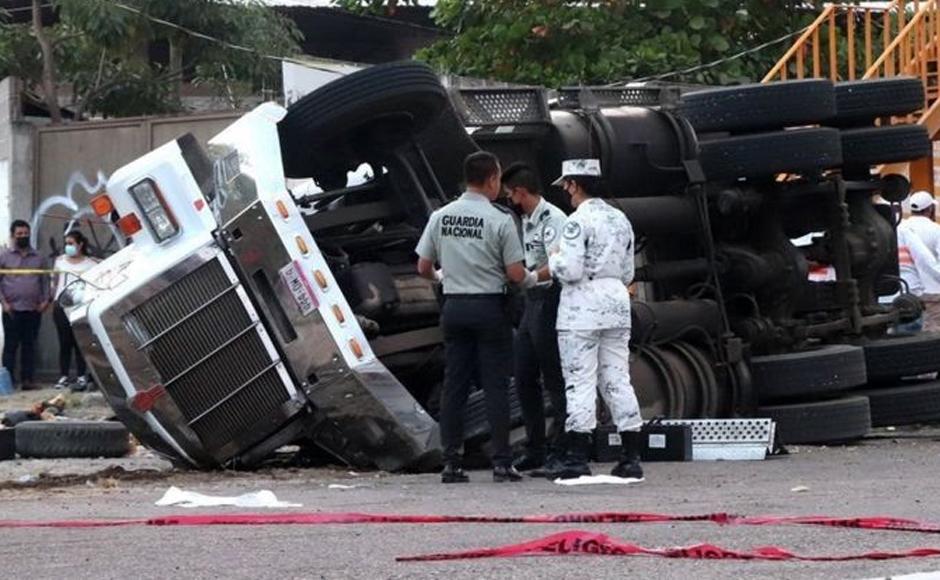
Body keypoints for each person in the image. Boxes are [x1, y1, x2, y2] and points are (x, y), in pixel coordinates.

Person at [415, 151, 537, 484]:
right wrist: (534, 278)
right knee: (495, 384)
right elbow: (515, 274)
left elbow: (423, 267)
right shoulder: (500, 220)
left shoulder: (441, 216)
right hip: (489, 309)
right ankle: (502, 463)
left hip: (454, 308)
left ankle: (451, 463)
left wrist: (442, 278)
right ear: (493, 179)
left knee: (455, 384)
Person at [544, 159, 644, 482]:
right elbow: (628, 272)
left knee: (580, 380)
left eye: (566, 186)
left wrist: (554, 258)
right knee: (617, 378)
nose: (566, 192)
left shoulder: (576, 221)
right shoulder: (621, 219)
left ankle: (577, 458)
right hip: (616, 304)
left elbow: (570, 270)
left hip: (581, 309)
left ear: (574, 184)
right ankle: (631, 457)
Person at [500, 162, 568, 473]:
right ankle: (536, 447)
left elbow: (556, 264)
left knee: (553, 377)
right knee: (524, 374)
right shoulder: (526, 220)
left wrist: (529, 277)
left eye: (510, 194)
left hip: (550, 298)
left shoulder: (553, 218)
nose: (508, 200)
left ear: (521, 192)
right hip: (531, 302)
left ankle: (561, 448)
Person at [0, 220, 50, 391]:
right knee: (10, 347)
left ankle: (28, 381)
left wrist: (45, 301)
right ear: (13, 235)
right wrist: (4, 303)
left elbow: (45, 280)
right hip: (11, 310)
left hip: (33, 309)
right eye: (19, 234)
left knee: (29, 346)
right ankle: (9, 383)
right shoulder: (4, 256)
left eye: (26, 233)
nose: (23, 236)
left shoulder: (39, 257)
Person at [51, 230, 98, 391]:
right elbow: (54, 281)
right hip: (61, 306)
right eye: (66, 243)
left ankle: (81, 376)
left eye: (71, 243)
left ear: (80, 244)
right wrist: (53, 299)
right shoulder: (60, 261)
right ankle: (64, 376)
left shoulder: (90, 264)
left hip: (80, 307)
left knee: (80, 342)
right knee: (64, 342)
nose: (68, 247)